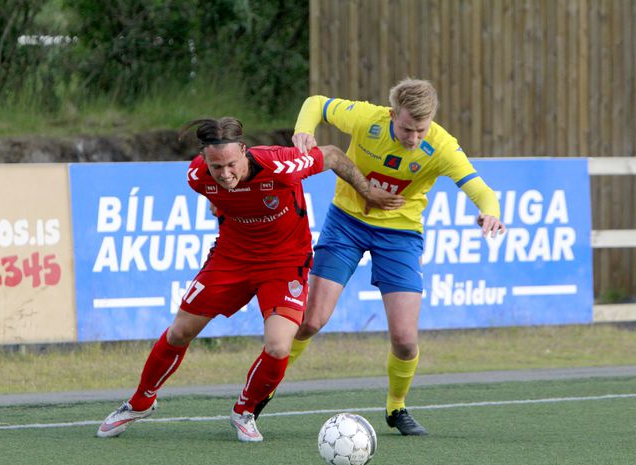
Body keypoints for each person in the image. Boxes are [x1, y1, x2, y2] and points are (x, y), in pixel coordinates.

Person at [96, 117, 403, 442]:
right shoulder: (197, 175)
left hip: (284, 263)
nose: (225, 174)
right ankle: (140, 401)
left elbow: (334, 156)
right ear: (205, 161)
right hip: (232, 258)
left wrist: (367, 191)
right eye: (217, 167)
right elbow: (215, 192)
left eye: (231, 164)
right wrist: (220, 203)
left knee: (278, 346)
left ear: (244, 151)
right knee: (179, 332)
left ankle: (244, 411)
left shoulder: (282, 164)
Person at [253, 78, 507, 435]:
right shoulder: (367, 119)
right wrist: (303, 132)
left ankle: (396, 407)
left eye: (421, 130)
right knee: (311, 321)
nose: (413, 138)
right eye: (406, 128)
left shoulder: (442, 146)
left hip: (400, 235)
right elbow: (316, 103)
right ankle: (263, 389)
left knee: (405, 341)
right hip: (346, 224)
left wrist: (489, 212)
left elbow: (479, 187)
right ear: (392, 114)